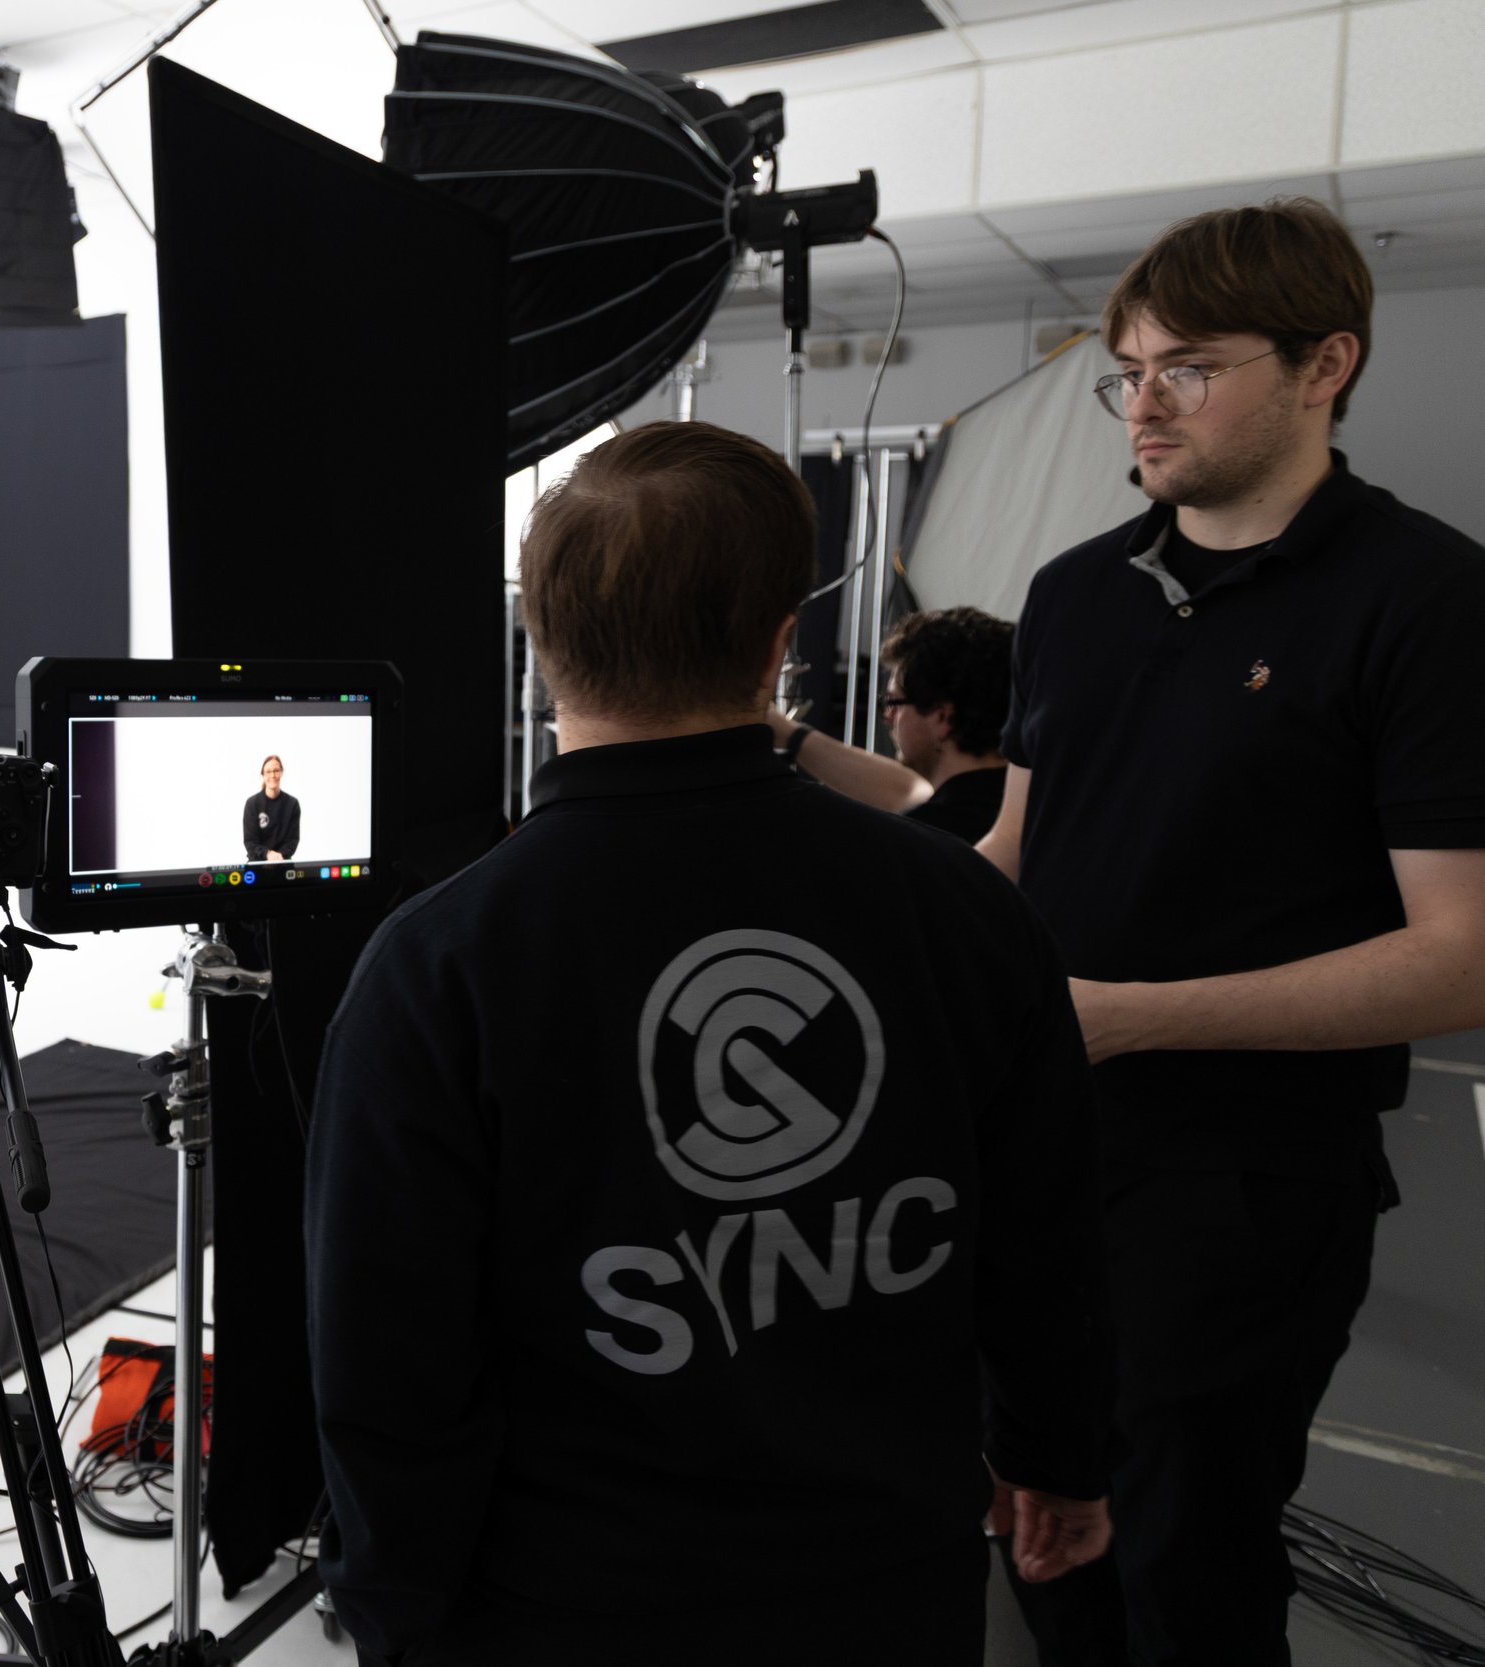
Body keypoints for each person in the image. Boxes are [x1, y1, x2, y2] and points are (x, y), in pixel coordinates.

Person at [305, 422, 1113, 1665]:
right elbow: (1045, 1237)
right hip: (888, 1587)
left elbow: (386, 1358)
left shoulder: (435, 965)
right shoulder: (963, 908)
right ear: (782, 643)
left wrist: (393, 1610)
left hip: (561, 1608)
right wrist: (1056, 1455)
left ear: (537, 639)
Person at [980, 198, 1485, 1665]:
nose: (1141, 402)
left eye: (1187, 367)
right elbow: (1019, 846)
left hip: (1242, 1187)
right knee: (1041, 1518)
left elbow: (1458, 953)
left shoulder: (1425, 599)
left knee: (1186, 1555)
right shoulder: (1074, 594)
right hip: (1038, 1152)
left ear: (1327, 364)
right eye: (1126, 367)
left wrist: (1128, 1014)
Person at [768, 605, 1015, 842]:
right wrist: (788, 733)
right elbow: (905, 791)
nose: (888, 717)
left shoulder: (922, 838)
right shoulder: (1025, 807)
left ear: (943, 717)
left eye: (893, 701)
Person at [241, 754, 299, 862]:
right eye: (268, 771)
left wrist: (279, 856)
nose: (273, 775)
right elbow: (250, 842)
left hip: (283, 863)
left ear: (281, 772)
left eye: (276, 770)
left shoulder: (292, 804)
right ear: (262, 775)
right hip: (257, 865)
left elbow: (292, 841)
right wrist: (267, 854)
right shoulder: (252, 804)